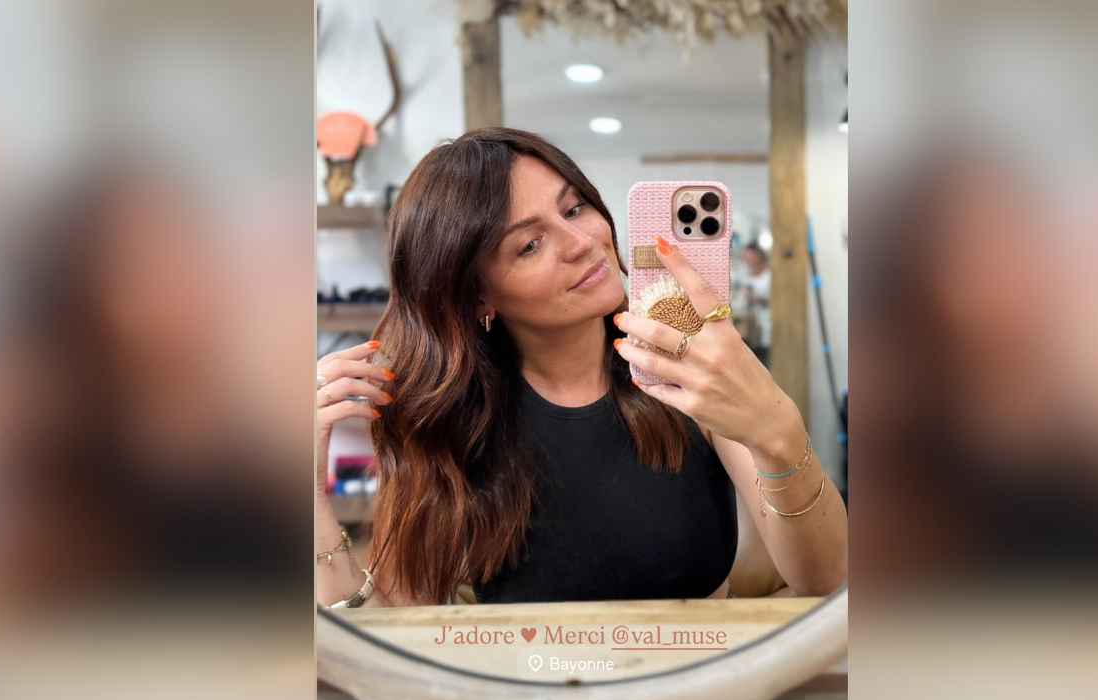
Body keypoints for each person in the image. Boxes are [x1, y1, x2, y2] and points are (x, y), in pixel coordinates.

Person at [314, 128, 847, 607]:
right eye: (530, 245)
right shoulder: (450, 421)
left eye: (573, 210)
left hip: (699, 677)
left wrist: (779, 434)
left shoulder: (687, 369)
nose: (581, 243)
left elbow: (829, 579)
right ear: (477, 296)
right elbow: (395, 629)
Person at [741, 244, 772, 367]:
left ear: (758, 256)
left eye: (750, 258)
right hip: (754, 326)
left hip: (769, 324)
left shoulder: (770, 276)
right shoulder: (749, 278)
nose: (748, 262)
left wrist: (759, 299)